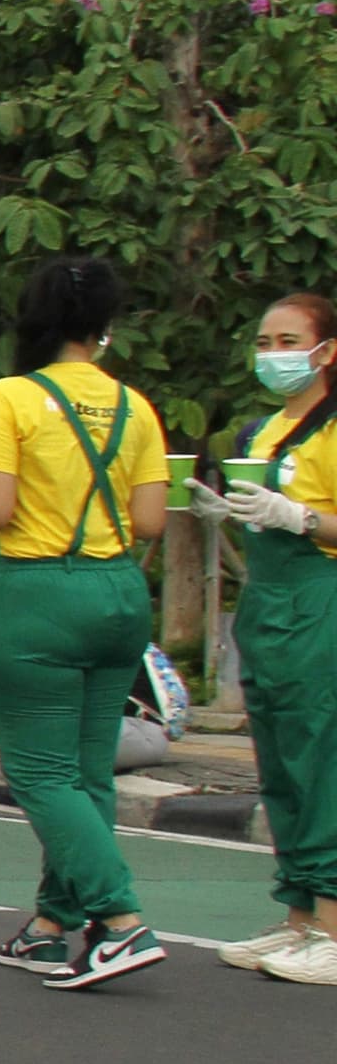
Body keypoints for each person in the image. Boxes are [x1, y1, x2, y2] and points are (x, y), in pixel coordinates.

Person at [0, 256, 171, 990]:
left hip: (38, 593)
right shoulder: (136, 405)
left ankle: (124, 919)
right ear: (104, 326)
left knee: (39, 773)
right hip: (119, 591)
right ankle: (51, 926)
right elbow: (151, 520)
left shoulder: (8, 397)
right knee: (85, 770)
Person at [213, 292, 337, 981]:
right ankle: (299, 919)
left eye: (290, 340)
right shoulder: (259, 433)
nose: (273, 353)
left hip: (321, 600)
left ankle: (335, 920)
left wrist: (299, 516)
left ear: (326, 351)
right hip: (267, 603)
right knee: (281, 762)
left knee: (322, 759)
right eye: (265, 339)